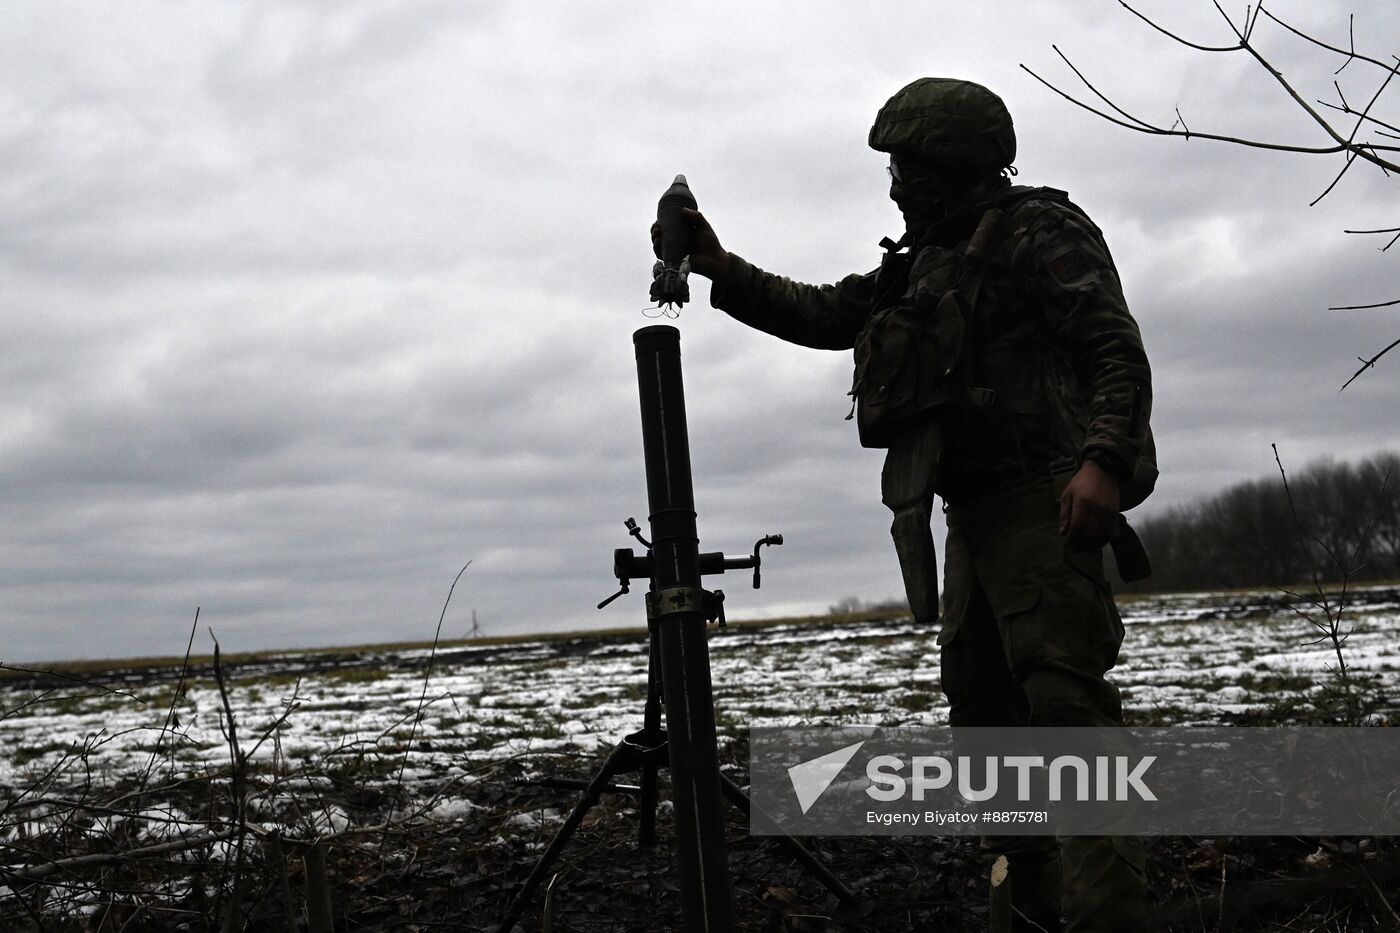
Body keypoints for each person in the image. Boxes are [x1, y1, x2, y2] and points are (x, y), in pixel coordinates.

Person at [655, 77, 1153, 932]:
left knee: (1069, 718)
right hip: (974, 522)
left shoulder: (1041, 230)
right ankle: (1026, 913)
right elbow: (827, 313)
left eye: (906, 166)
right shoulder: (922, 262)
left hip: (1044, 502)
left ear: (951, 164)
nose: (893, 184)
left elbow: (1115, 346)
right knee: (986, 727)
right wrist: (716, 264)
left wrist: (1102, 462)